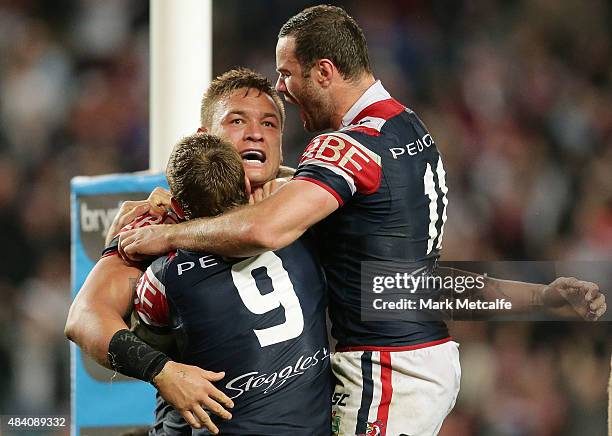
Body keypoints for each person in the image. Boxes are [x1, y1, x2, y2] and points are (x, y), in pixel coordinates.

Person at [117, 6, 606, 436]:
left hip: (384, 372)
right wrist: (537, 295)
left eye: (287, 75)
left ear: (324, 71)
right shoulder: (408, 132)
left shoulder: (346, 145)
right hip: (424, 358)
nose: (282, 91)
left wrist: (164, 233)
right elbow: (412, 282)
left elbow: (266, 229)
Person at [65, 68, 301, 434]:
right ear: (205, 137)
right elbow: (84, 318)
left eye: (270, 124)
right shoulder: (156, 220)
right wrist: (162, 371)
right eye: (237, 120)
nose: (256, 132)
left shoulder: (305, 203)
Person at [136, 133, 331, 435]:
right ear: (244, 186)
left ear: (175, 204)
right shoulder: (301, 232)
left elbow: (153, 349)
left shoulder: (162, 277)